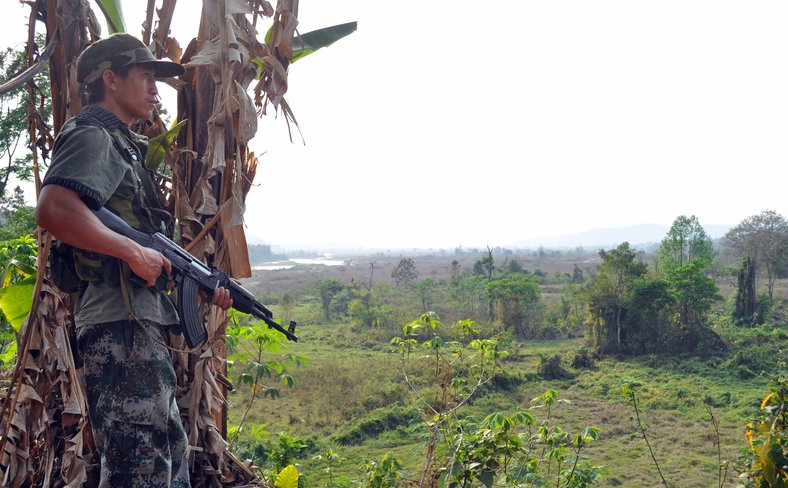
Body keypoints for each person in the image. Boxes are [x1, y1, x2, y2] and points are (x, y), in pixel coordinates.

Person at [35, 33, 231, 487]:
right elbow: (54, 208)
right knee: (138, 467)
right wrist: (131, 250)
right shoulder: (92, 134)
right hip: (118, 324)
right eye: (145, 76)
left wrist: (203, 285)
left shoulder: (121, 143)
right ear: (111, 79)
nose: (154, 90)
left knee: (165, 456)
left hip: (137, 322)